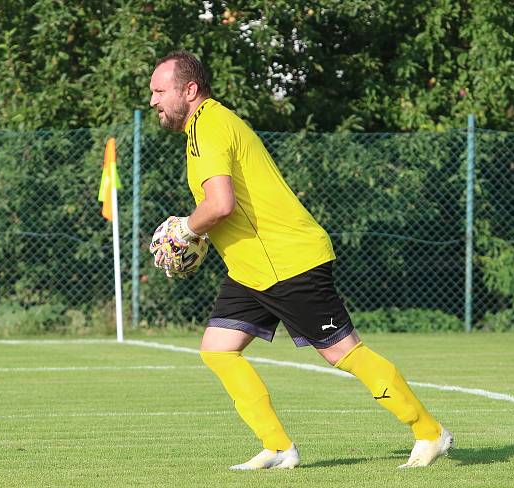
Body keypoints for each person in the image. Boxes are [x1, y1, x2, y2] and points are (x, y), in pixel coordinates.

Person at [148, 50, 453, 470]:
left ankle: (429, 432)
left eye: (159, 91)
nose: (153, 100)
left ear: (190, 90)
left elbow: (219, 204)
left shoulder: (207, 128)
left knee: (344, 353)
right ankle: (277, 447)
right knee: (218, 349)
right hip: (253, 266)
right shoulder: (212, 123)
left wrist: (186, 228)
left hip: (286, 261)